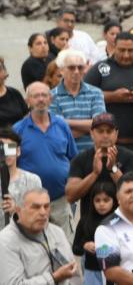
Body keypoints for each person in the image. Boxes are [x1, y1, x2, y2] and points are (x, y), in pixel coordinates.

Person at [84, 31, 133, 162]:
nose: (126, 55)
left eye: (130, 50)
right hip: (111, 144)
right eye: (121, 50)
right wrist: (112, 96)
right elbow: (85, 94)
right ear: (114, 47)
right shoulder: (100, 68)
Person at [14, 81, 78, 241]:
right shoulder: (16, 130)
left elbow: (74, 158)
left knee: (64, 247)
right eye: (36, 96)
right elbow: (7, 164)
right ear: (27, 101)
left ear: (50, 99)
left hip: (61, 200)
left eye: (44, 95)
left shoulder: (62, 125)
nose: (41, 99)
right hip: (31, 203)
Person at [65, 112, 133, 247]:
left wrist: (113, 169)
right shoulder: (81, 159)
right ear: (92, 133)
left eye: (109, 131)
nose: (105, 135)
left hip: (124, 231)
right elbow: (70, 195)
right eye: (100, 131)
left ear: (116, 133)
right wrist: (94, 174)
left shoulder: (129, 157)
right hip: (91, 234)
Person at [0, 187, 80, 285]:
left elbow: (73, 272)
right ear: (18, 210)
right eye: (36, 207)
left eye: (46, 206)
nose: (43, 212)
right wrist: (53, 278)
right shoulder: (6, 241)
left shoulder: (56, 232)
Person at [51, 49, 107, 152]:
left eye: (80, 67)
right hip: (63, 154)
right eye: (71, 68)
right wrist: (89, 128)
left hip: (92, 154)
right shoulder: (51, 96)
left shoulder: (96, 92)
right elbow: (55, 130)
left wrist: (65, 122)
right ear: (62, 70)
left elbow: (100, 125)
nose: (76, 71)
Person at [72, 180, 115, 285]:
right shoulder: (85, 221)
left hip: (116, 270)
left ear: (114, 200)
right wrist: (85, 245)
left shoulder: (118, 221)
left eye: (106, 200)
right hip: (92, 270)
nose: (101, 204)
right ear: (92, 201)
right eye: (97, 200)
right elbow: (75, 248)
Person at [0, 127, 42, 220]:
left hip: (22, 233)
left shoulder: (32, 180)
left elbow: (38, 215)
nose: (6, 153)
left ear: (18, 151)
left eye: (10, 148)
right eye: (2, 149)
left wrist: (16, 210)